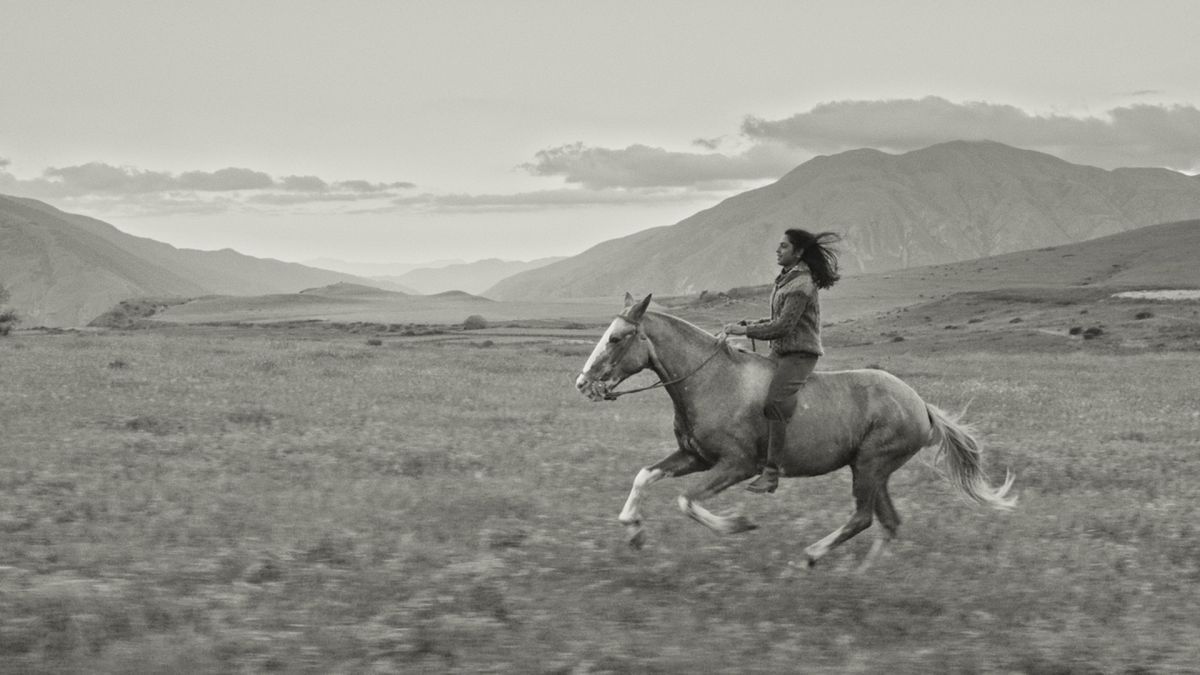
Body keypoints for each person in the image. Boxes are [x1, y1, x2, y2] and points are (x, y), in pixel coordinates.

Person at [723, 228, 841, 494]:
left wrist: (745, 331)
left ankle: (772, 473)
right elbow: (777, 320)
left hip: (800, 354)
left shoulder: (802, 285)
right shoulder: (785, 279)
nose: (778, 250)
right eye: (779, 246)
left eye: (784, 247)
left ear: (798, 252)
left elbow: (784, 327)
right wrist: (750, 324)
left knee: (775, 401)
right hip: (780, 352)